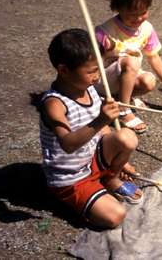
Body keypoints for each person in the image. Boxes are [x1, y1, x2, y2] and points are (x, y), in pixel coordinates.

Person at [39, 28, 142, 228]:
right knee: (116, 216)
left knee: (127, 136)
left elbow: (104, 132)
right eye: (91, 71)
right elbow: (68, 144)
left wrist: (118, 160)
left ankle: (110, 179)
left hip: (92, 159)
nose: (97, 77)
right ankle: (75, 198)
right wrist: (101, 120)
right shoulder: (54, 104)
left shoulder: (89, 89)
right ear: (63, 70)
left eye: (99, 69)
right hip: (71, 178)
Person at [95, 0, 162, 133]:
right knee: (131, 61)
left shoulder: (146, 29)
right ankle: (124, 111)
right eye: (132, 14)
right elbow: (89, 64)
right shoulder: (105, 32)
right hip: (102, 80)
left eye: (144, 12)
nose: (139, 18)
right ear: (118, 8)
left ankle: (121, 99)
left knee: (149, 81)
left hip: (125, 76)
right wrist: (107, 53)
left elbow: (153, 57)